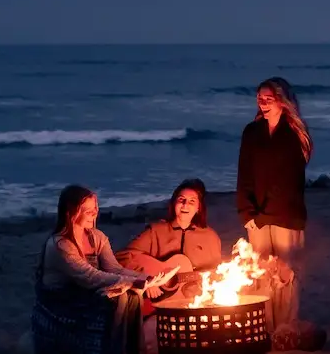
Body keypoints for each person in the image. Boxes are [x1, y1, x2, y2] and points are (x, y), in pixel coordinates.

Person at [33, 184, 177, 354]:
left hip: (85, 292)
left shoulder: (97, 237)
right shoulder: (60, 245)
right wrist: (133, 281)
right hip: (63, 299)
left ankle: (131, 348)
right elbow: (90, 276)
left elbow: (114, 268)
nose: (94, 214)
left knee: (133, 295)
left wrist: (147, 278)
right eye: (87, 210)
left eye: (95, 208)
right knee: (121, 296)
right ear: (71, 213)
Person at [236, 77, 312, 332]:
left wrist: (265, 214)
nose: (263, 103)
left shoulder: (293, 134)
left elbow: (289, 181)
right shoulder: (252, 132)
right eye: (260, 98)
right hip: (256, 216)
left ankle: (286, 329)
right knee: (260, 275)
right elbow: (244, 174)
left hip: (286, 215)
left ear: (282, 101)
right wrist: (246, 212)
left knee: (285, 274)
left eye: (269, 99)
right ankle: (265, 330)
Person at [118, 178, 224, 307]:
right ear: (174, 203)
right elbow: (122, 257)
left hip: (194, 304)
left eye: (192, 201)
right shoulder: (156, 231)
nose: (185, 205)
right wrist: (147, 278)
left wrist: (199, 286)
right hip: (158, 305)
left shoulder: (210, 236)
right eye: (181, 199)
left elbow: (217, 275)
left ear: (199, 208)